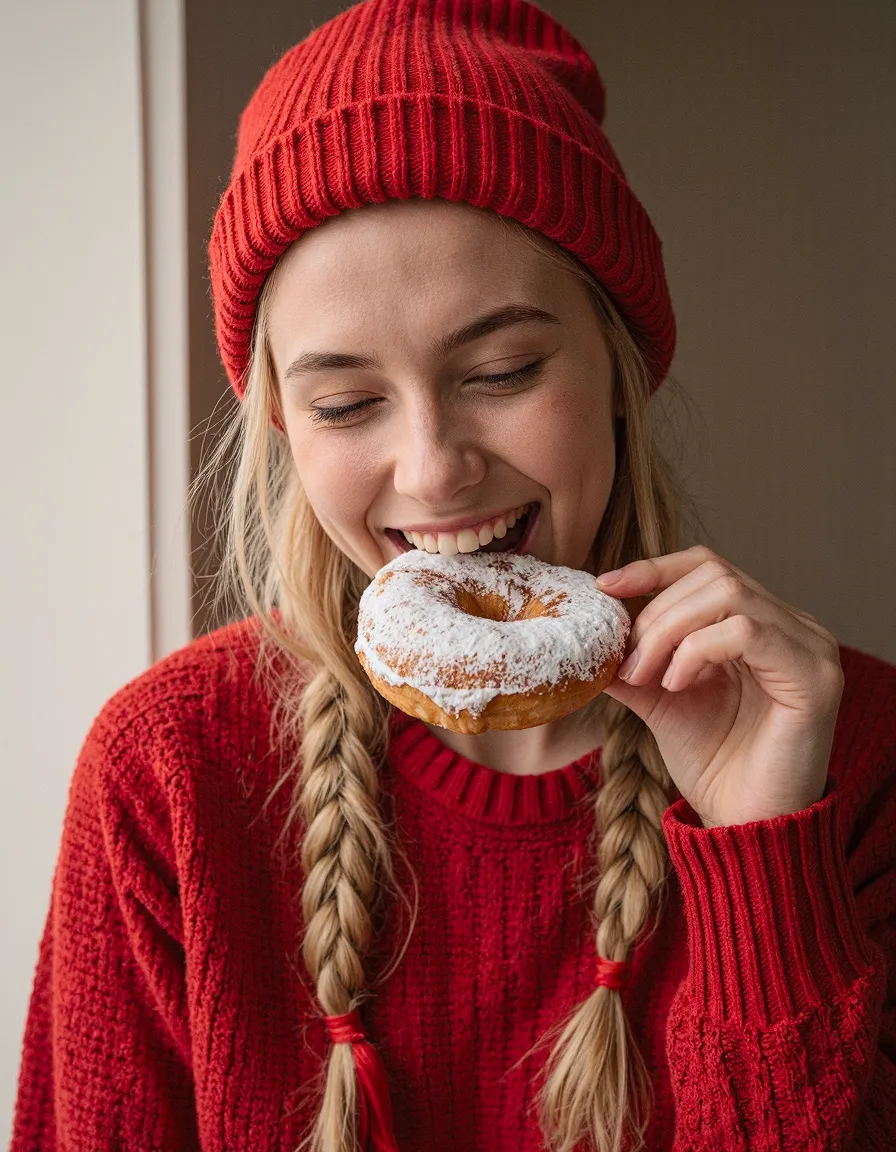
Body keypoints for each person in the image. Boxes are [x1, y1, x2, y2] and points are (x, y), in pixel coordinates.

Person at [10, 0, 896, 1149]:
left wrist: (761, 856)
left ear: (617, 364)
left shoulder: (848, 750)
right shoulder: (166, 779)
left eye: (501, 370)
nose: (431, 471)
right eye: (346, 402)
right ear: (281, 424)